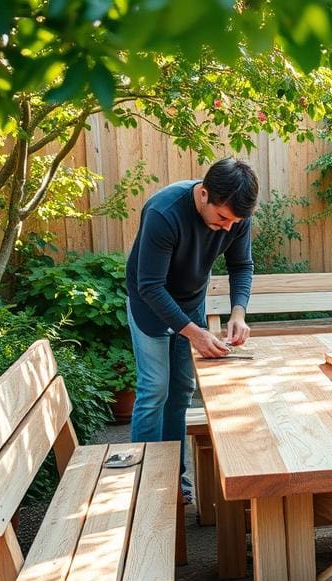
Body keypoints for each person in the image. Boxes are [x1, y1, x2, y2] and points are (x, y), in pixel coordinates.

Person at [125, 157, 258, 501]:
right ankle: (144, 485)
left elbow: (241, 265)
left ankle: (174, 480)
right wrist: (195, 332)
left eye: (235, 221)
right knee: (154, 390)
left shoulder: (236, 216)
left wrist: (238, 313)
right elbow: (150, 286)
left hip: (190, 301)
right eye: (223, 218)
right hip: (150, 304)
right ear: (203, 195)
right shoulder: (163, 212)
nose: (229, 227)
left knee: (182, 390)